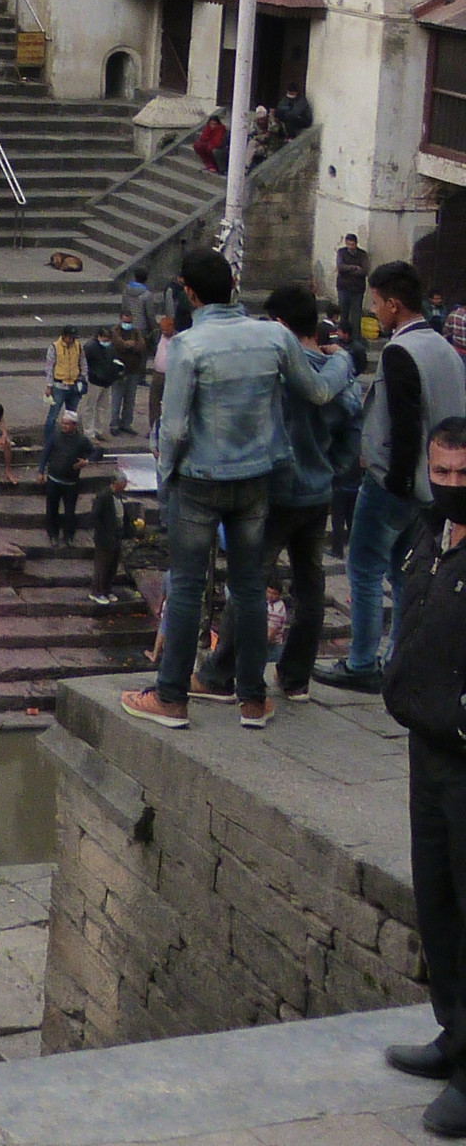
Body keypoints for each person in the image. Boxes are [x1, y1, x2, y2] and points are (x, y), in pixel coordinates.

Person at [121, 245, 341, 731]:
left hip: (200, 482)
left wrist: (166, 478)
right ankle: (252, 700)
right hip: (256, 480)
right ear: (234, 289)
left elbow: (173, 429)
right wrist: (343, 360)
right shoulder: (274, 336)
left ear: (191, 294)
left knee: (188, 589)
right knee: (247, 586)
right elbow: (319, 392)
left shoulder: (187, 347)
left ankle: (172, 698)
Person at [193, 281, 356, 707]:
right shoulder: (334, 371)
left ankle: (220, 674)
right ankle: (296, 678)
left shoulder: (280, 370)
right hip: (317, 493)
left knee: (247, 584)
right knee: (310, 586)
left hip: (277, 492)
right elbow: (351, 429)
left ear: (280, 324)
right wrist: (332, 469)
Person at [378, 418, 466, 1132]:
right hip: (426, 746)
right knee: (437, 902)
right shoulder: (427, 537)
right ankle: (454, 1035)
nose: (454, 487)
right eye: (443, 474)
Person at [325, 260, 466, 693]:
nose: (374, 311)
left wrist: (398, 482)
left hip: (396, 483)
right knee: (407, 573)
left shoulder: (400, 351)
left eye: (376, 303)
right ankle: (403, 656)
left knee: (364, 568)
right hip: (433, 486)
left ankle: (362, 661)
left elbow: (405, 425)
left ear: (393, 304)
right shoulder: (443, 347)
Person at [43, 410, 91, 546]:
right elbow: (45, 454)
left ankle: (68, 536)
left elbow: (94, 452)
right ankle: (53, 534)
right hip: (54, 479)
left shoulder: (81, 440)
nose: (64, 426)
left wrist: (86, 461)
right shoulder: (55, 436)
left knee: (70, 511)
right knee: (52, 508)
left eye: (67, 424)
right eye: (63, 423)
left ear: (74, 425)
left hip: (71, 482)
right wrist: (41, 471)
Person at [42, 328, 87, 469]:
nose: (72, 340)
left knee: (71, 415)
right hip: (59, 385)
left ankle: (71, 440)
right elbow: (49, 367)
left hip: (74, 385)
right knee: (53, 416)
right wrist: (49, 386)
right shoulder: (54, 347)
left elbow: (83, 363)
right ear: (64, 336)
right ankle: (49, 442)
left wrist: (84, 380)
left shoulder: (78, 346)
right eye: (70, 337)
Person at [81, 325, 122, 445]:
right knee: (90, 407)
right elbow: (84, 363)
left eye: (108, 339)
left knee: (102, 408)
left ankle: (99, 430)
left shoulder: (110, 348)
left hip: (106, 381)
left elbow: (113, 361)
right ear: (99, 337)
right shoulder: (90, 347)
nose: (107, 342)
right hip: (94, 381)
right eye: (104, 339)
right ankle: (88, 432)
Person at [109, 315, 148, 435]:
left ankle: (126, 423)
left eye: (130, 321)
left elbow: (142, 346)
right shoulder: (115, 331)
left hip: (134, 370)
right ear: (121, 319)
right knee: (117, 399)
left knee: (130, 400)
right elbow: (118, 344)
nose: (128, 323)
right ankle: (114, 424)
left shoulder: (136, 332)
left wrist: (130, 345)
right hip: (119, 372)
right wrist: (129, 345)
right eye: (126, 321)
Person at [92, 473, 126, 606]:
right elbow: (95, 517)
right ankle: (97, 591)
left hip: (116, 534)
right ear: (115, 483)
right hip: (104, 536)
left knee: (112, 564)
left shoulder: (118, 496)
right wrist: (104, 533)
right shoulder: (103, 496)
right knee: (102, 565)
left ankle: (107, 589)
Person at [336, 234, 372, 348]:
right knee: (344, 314)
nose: (350, 247)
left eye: (352, 244)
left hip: (357, 289)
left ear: (356, 244)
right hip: (343, 288)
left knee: (356, 316)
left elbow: (364, 271)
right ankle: (342, 339)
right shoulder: (342, 252)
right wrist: (355, 267)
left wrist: (348, 269)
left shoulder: (362, 254)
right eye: (348, 244)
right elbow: (340, 267)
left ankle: (356, 340)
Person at [147, 313, 173, 436]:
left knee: (169, 403)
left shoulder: (178, 339)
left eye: (167, 329)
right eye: (163, 329)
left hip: (171, 375)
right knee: (154, 402)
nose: (164, 331)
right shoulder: (157, 336)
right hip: (157, 373)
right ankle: (153, 429)